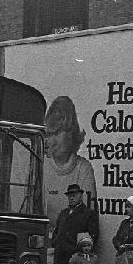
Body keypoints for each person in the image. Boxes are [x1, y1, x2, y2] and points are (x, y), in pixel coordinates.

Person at [44, 96, 97, 228]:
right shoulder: (40, 165)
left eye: (59, 132)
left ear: (71, 132)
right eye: (50, 134)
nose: (53, 141)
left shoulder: (83, 168)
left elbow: (89, 218)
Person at [50, 183, 99, 264]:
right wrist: (55, 242)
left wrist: (81, 252)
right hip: (61, 255)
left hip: (75, 257)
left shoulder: (88, 214)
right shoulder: (63, 213)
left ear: (81, 196)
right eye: (69, 195)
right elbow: (56, 230)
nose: (71, 198)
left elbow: (93, 236)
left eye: (74, 195)